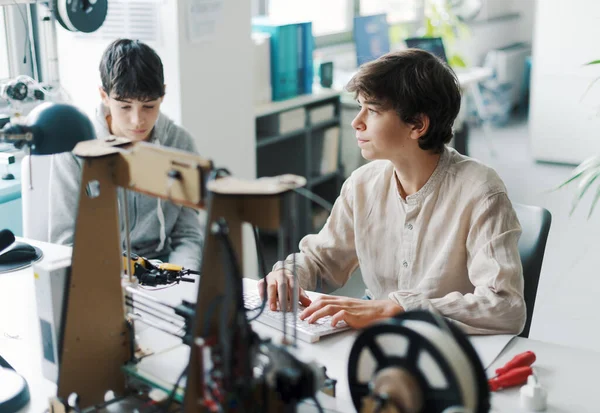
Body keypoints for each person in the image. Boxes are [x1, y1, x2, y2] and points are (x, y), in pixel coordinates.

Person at [259, 49, 526, 335]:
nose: (356, 121)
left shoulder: (481, 190)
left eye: (372, 111)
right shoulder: (361, 184)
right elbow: (322, 260)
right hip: (376, 338)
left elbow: (506, 307)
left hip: (448, 347)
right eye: (360, 107)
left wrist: (399, 309)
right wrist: (288, 273)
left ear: (418, 125)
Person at [49, 39, 204, 271]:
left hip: (164, 271)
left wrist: (182, 279)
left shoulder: (179, 144)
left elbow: (188, 236)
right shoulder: (75, 150)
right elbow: (66, 242)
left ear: (163, 95)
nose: (137, 120)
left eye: (149, 106)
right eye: (124, 107)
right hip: (101, 271)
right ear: (104, 96)